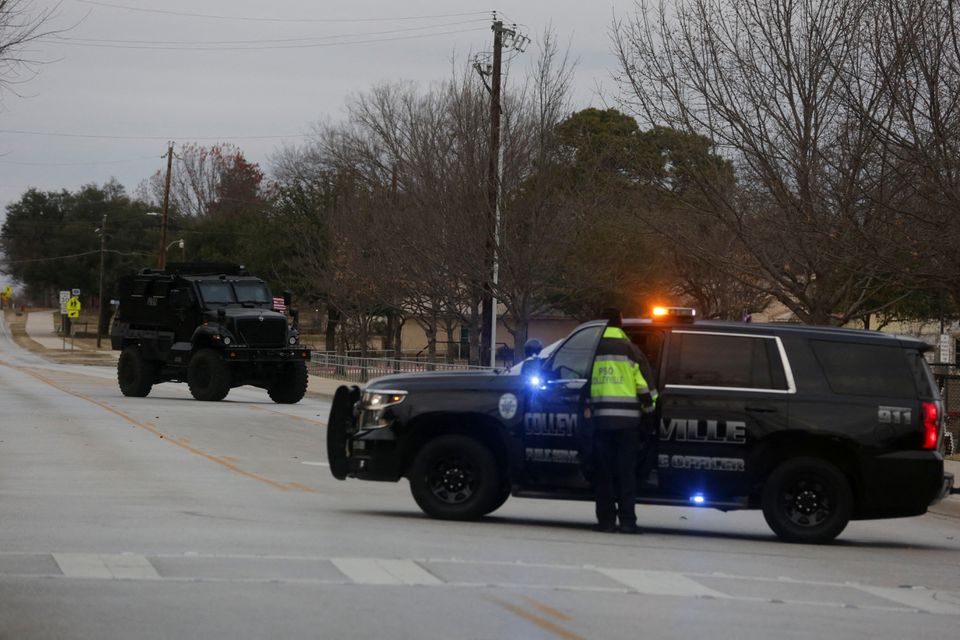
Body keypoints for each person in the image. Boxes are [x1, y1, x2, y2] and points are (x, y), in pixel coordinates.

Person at [589, 308, 657, 534]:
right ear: (620, 323)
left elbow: (580, 381)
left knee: (604, 474)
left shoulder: (592, 348)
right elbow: (644, 386)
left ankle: (606, 522)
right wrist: (649, 411)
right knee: (626, 474)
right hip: (628, 425)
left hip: (600, 423)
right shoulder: (631, 350)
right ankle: (628, 522)